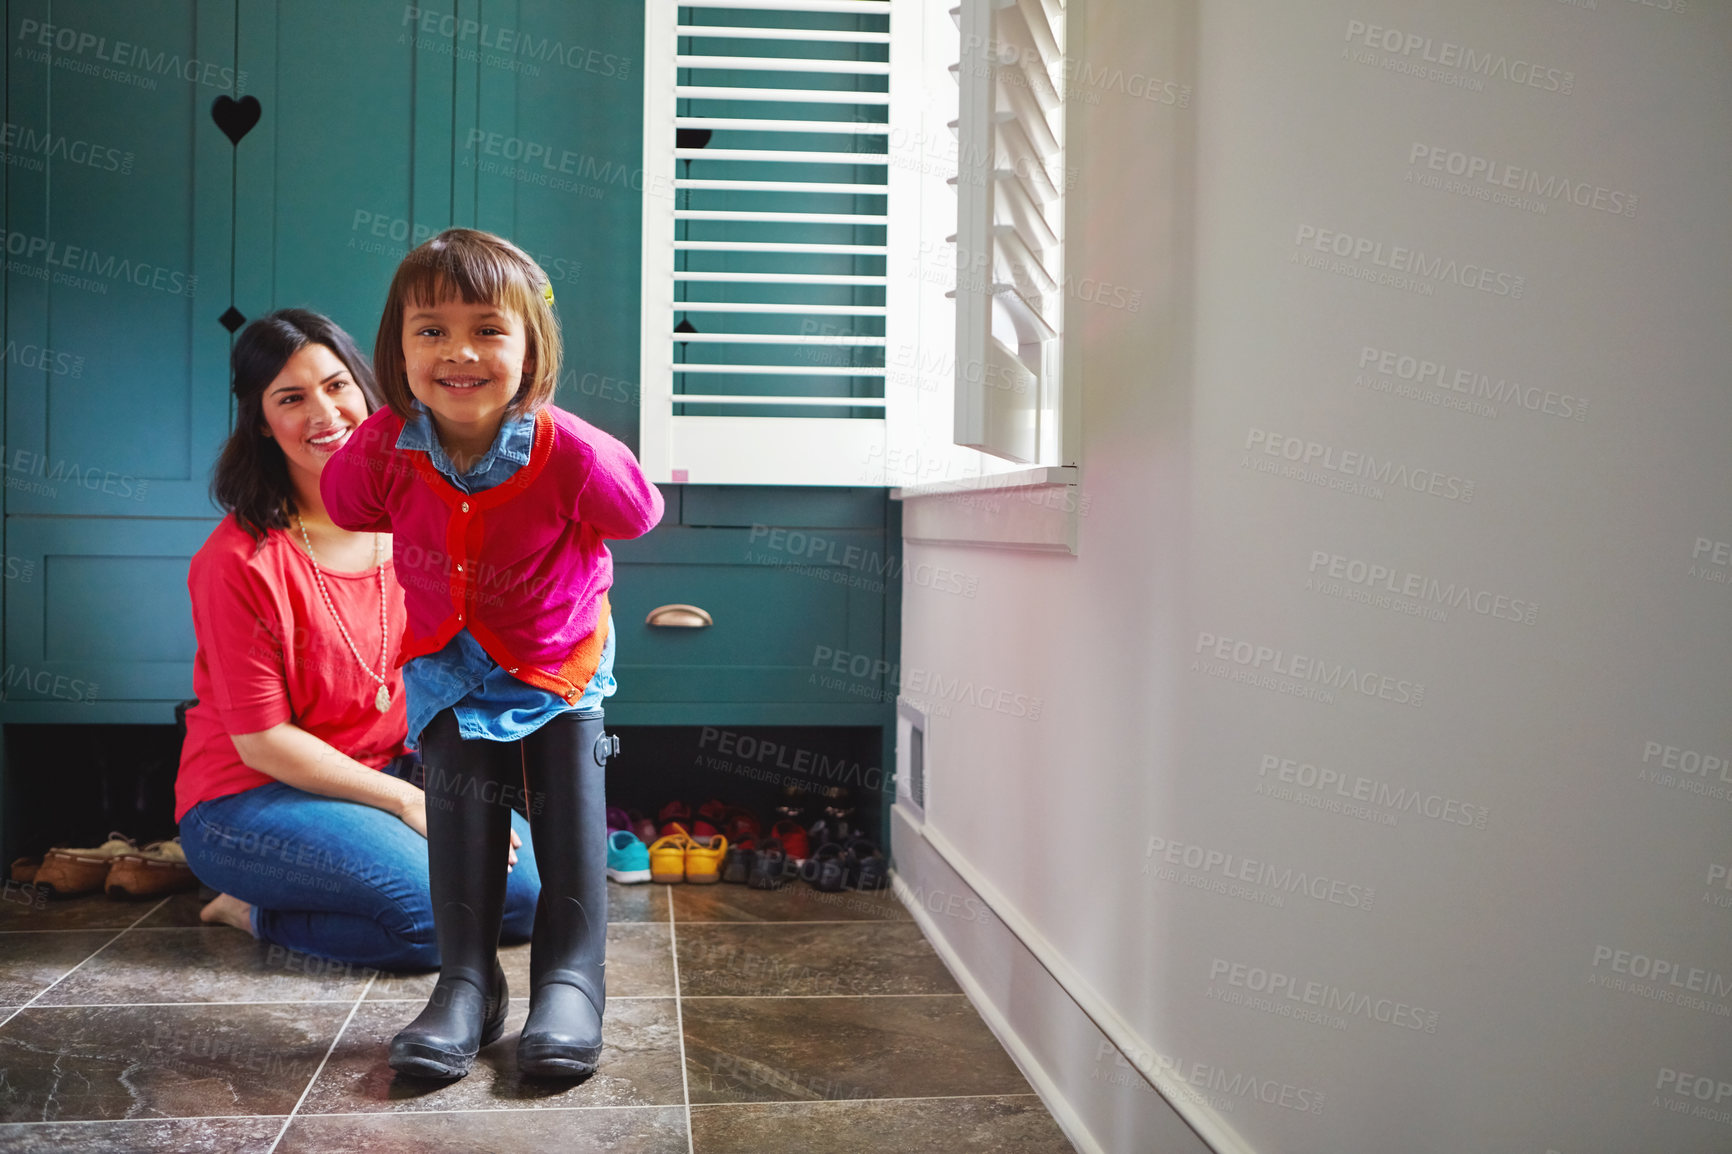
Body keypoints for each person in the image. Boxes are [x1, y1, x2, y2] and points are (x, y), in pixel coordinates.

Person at [322, 229, 663, 1081]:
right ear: (397, 348)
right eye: (430, 331)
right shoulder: (388, 447)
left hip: (557, 655)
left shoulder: (568, 450)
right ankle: (467, 981)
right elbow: (349, 499)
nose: (459, 352)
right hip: (448, 656)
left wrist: (581, 445)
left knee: (565, 809)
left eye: (488, 329)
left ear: (531, 345)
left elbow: (638, 512)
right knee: (461, 813)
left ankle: (572, 977)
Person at [175, 308, 539, 971]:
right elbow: (261, 741)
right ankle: (245, 905)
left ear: (366, 390)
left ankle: (354, 873)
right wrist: (409, 803)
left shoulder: (414, 519)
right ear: (262, 421)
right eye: (291, 398)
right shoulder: (238, 560)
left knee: (528, 898)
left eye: (336, 385)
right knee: (434, 922)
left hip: (374, 779)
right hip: (248, 798)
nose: (324, 412)